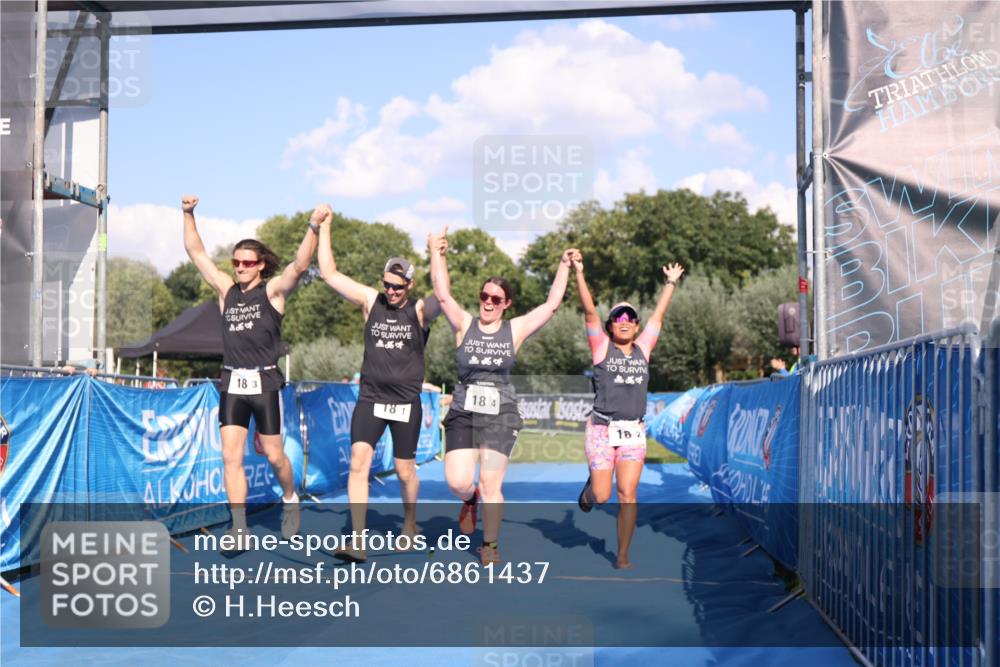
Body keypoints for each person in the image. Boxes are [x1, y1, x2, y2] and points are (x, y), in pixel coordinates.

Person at [428, 226, 577, 565]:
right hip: (464, 412)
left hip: (501, 414)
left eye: (496, 299)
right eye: (484, 297)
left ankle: (490, 545)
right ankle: (470, 499)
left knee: (491, 480)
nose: (489, 303)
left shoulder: (515, 329)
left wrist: (564, 265)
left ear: (506, 304)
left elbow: (552, 305)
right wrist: (437, 253)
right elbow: (443, 295)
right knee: (458, 482)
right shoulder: (464, 325)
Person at [182, 195, 324, 549]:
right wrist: (188, 214)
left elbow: (299, 265)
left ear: (260, 266)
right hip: (231, 381)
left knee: (275, 456)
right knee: (230, 456)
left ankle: (290, 498)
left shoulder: (272, 293)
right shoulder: (226, 292)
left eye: (247, 262)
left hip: (263, 382)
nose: (240, 267)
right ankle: (239, 527)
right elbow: (197, 254)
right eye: (236, 261)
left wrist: (314, 226)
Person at [317, 215, 439, 562]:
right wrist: (324, 227)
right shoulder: (371, 302)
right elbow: (330, 274)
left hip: (405, 403)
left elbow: (442, 296)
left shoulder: (418, 311)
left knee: (404, 471)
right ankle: (357, 539)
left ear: (410, 285)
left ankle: (411, 524)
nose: (391, 291)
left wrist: (436, 255)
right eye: (387, 284)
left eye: (398, 286)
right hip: (371, 398)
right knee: (359, 462)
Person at [572, 250, 684, 569]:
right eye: (618, 318)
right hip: (601, 429)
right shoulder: (601, 348)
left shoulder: (643, 349)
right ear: (610, 326)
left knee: (628, 493)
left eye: (630, 318)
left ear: (635, 326)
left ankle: (622, 554)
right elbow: (589, 312)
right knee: (604, 495)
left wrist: (670, 284)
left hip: (633, 430)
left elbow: (658, 317)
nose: (624, 322)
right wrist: (580, 273)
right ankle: (590, 492)